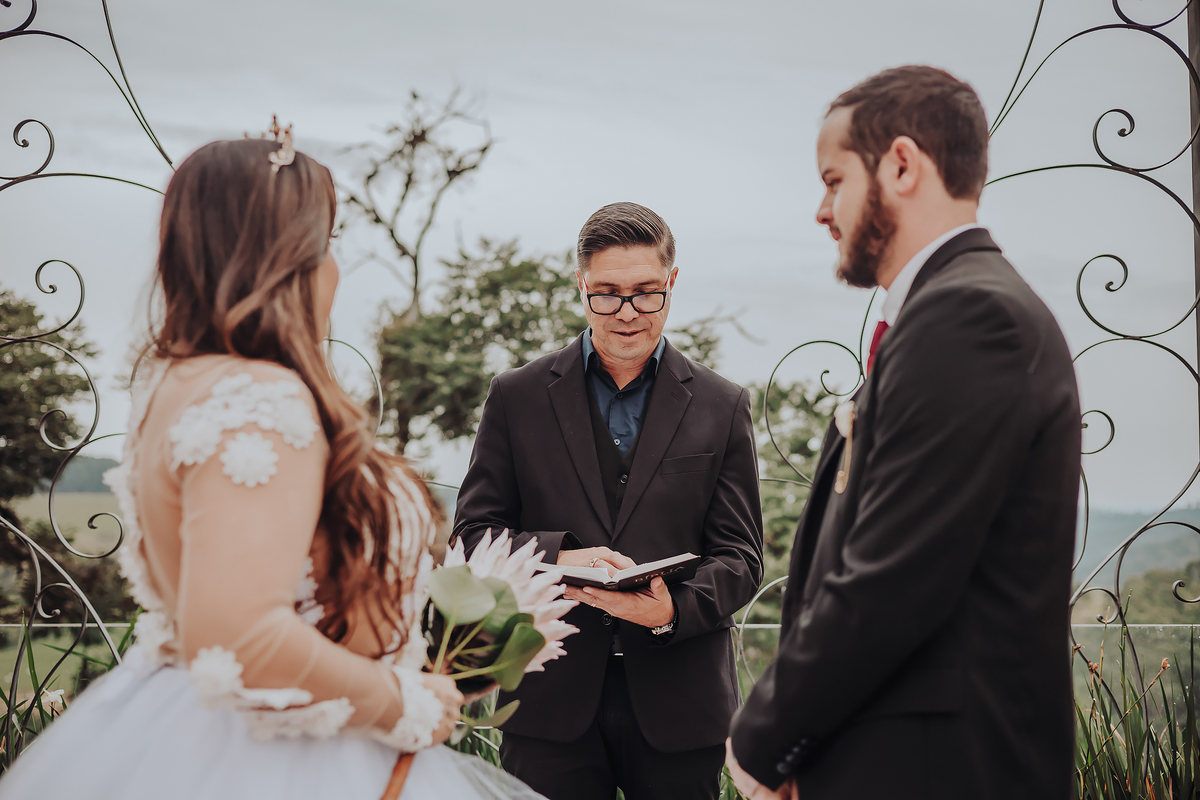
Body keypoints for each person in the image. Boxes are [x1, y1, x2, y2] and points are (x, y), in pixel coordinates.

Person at [0, 131, 543, 800]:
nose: (335, 268)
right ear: (286, 256)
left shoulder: (180, 382)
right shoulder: (259, 398)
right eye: (329, 242)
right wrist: (402, 700)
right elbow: (241, 633)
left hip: (184, 730)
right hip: (284, 759)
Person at [727, 66, 1081, 799]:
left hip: (936, 770)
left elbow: (894, 576)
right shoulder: (945, 312)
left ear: (901, 163)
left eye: (833, 181)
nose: (822, 211)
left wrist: (765, 738)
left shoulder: (969, 318)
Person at [453, 202, 764, 800]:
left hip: (681, 705)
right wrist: (565, 557)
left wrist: (669, 609)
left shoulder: (723, 405)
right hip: (546, 702)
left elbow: (741, 558)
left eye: (646, 293)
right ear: (581, 286)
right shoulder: (516, 397)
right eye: (607, 294)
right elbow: (471, 536)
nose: (626, 313)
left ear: (672, 284)